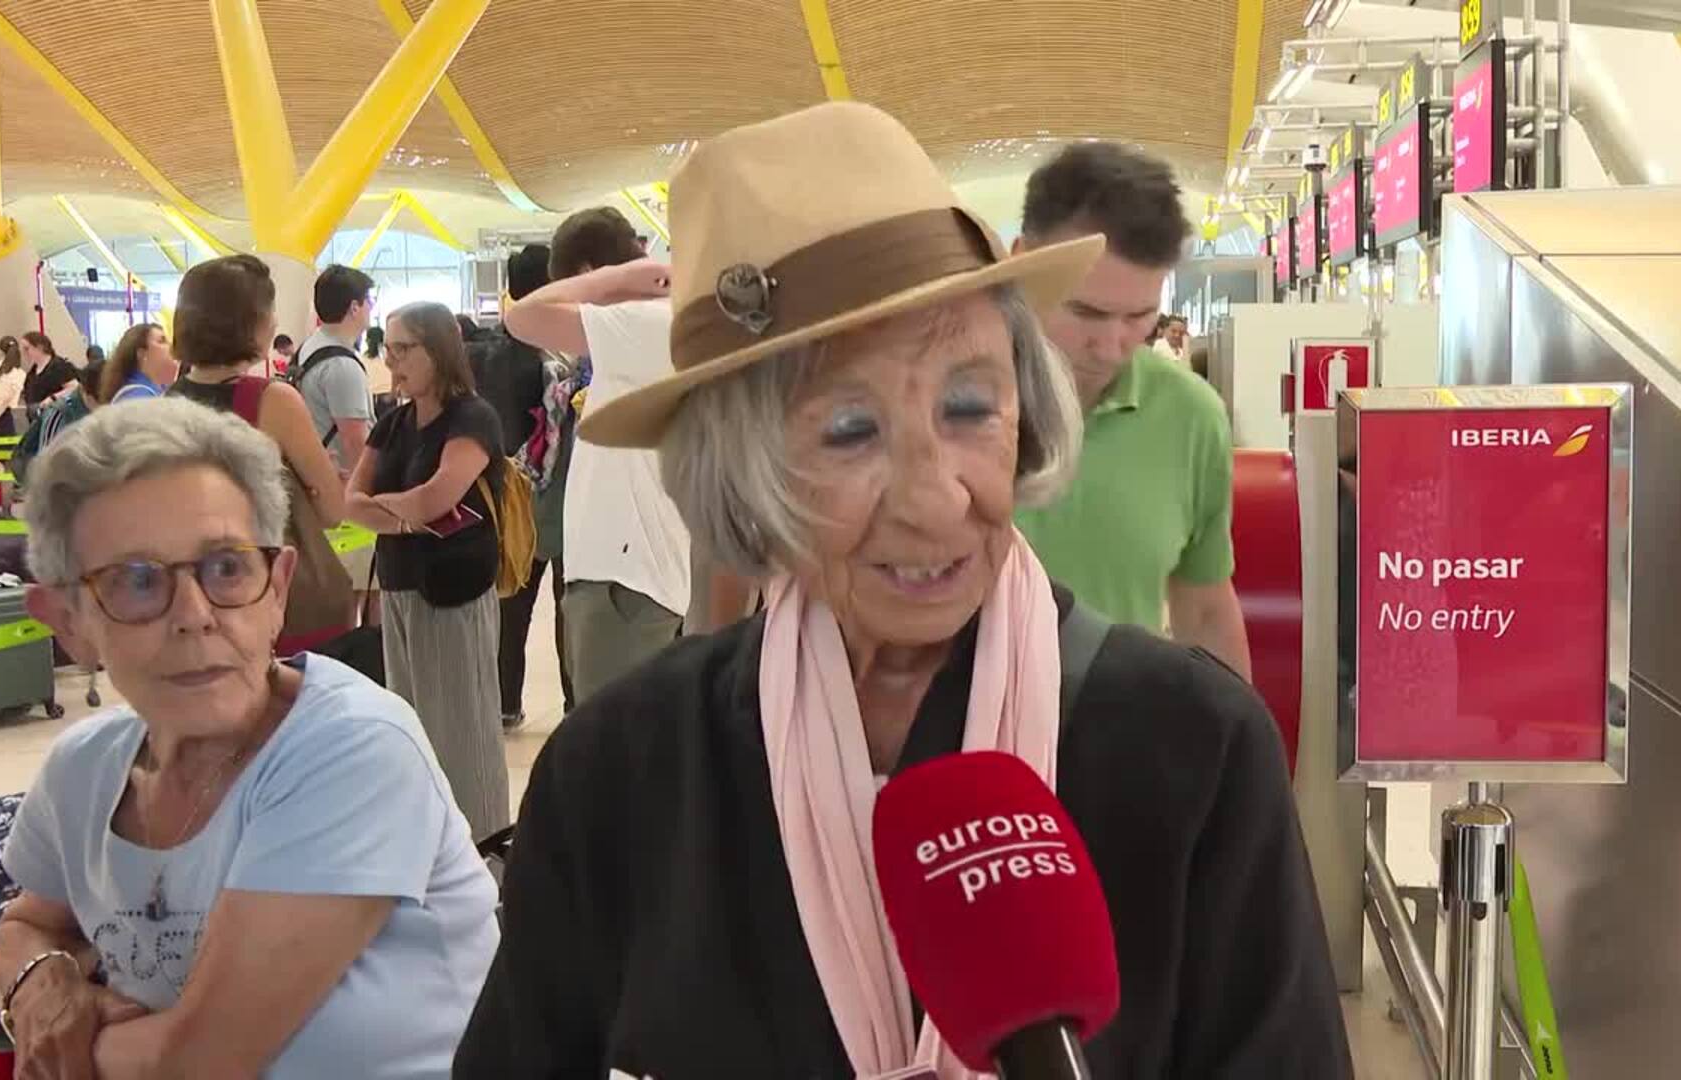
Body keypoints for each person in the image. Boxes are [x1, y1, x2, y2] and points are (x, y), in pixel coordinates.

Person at [455, 101, 1349, 1079]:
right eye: (850, 430)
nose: (935, 500)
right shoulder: (625, 773)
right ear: (743, 471)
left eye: (970, 405)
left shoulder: (1195, 754)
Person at [0, 398, 498, 1077]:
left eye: (227, 568)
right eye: (137, 581)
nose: (195, 615)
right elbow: (29, 923)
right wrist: (41, 982)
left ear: (278, 588)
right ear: (66, 621)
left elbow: (200, 1061)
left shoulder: (353, 748)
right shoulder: (84, 769)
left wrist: (66, 1052)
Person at [1012, 142, 1255, 679]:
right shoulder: (948, 405)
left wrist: (1240, 725)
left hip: (1119, 721)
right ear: (1020, 262)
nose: (1111, 346)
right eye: (1086, 312)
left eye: (1139, 316)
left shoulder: (1191, 416)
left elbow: (1204, 606)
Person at [504, 208, 692, 704]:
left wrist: (617, 278)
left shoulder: (645, 322)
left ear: (587, 272)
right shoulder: (658, 327)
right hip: (626, 575)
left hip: (623, 581)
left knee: (613, 737)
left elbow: (521, 317)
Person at [344, 301, 511, 841]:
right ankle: (433, 846)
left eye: (402, 349)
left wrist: (394, 512)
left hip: (454, 591)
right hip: (399, 589)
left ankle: (485, 848)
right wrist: (406, 516)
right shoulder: (393, 423)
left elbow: (436, 497)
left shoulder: (472, 418)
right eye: (387, 348)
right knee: (412, 729)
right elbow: (353, 502)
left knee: (464, 732)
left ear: (438, 350)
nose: (391, 360)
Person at [168, 255, 356, 655]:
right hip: (280, 600)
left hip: (197, 598)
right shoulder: (272, 401)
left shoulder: (164, 405)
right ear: (250, 322)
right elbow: (333, 510)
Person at [470, 243, 571, 728]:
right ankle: (576, 700)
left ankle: (504, 701)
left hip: (506, 495)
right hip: (564, 496)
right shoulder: (565, 354)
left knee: (511, 602)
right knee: (570, 604)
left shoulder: (483, 352)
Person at [295, 265, 380, 608]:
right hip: (346, 491)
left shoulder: (310, 347)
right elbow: (354, 439)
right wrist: (371, 494)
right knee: (363, 592)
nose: (371, 307)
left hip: (323, 484)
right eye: (368, 300)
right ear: (354, 307)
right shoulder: (342, 366)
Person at [100, 323, 178, 403]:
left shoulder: (161, 389)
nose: (170, 345)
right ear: (142, 354)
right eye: (161, 341)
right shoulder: (136, 398)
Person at [19, 332, 78, 413]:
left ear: (39, 347)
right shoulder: (32, 372)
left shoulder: (59, 366)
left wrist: (52, 398)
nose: (24, 353)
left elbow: (74, 388)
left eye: (26, 349)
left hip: (56, 414)